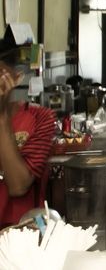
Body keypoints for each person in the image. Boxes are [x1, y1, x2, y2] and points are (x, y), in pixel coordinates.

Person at [0, 61, 56, 228]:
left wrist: (2, 117)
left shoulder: (40, 117)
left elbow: (18, 186)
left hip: (24, 233)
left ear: (15, 77)